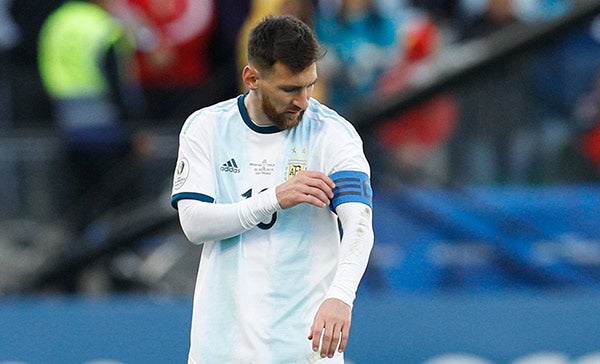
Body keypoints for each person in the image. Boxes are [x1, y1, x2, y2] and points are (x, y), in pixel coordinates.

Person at [171, 15, 374, 363]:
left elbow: (359, 224)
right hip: (222, 348)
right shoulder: (205, 128)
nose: (303, 101)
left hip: (303, 349)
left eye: (309, 85)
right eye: (289, 89)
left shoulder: (333, 134)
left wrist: (341, 296)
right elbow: (194, 224)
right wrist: (273, 199)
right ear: (252, 78)